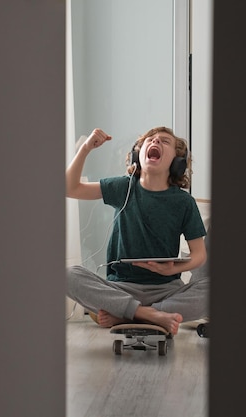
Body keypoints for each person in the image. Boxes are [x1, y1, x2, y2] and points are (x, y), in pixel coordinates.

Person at [66, 126, 209, 335]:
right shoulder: (122, 187)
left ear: (177, 162)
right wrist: (86, 148)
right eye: (149, 140)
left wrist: (172, 270)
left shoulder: (184, 202)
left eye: (164, 141)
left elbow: (199, 255)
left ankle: (131, 314)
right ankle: (150, 316)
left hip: (167, 291)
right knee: (68, 274)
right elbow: (70, 188)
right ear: (137, 155)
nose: (155, 142)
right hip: (121, 289)